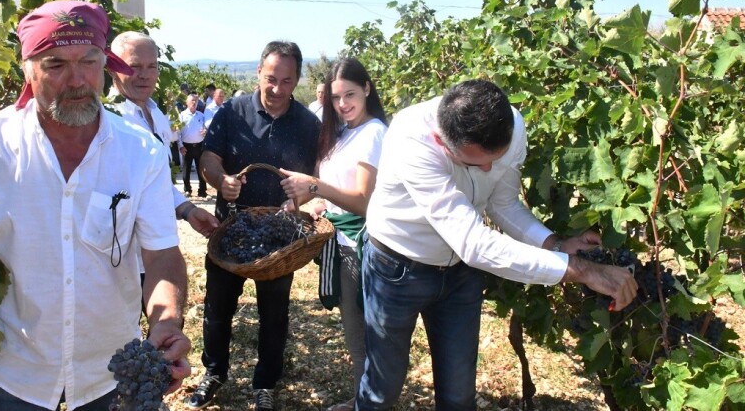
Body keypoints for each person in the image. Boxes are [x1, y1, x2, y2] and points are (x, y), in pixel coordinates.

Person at [0, 0, 192, 410]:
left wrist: (166, 322)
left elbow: (163, 255)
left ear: (106, 65)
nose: (77, 80)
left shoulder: (140, 152)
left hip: (112, 373)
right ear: (27, 68)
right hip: (15, 375)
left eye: (89, 62)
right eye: (55, 64)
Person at [355, 80, 638, 410]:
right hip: (396, 270)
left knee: (459, 394)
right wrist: (581, 270)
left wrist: (555, 244)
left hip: (459, 275)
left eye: (495, 159)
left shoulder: (511, 126)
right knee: (383, 388)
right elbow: (473, 242)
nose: (488, 169)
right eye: (474, 164)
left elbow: (502, 204)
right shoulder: (412, 140)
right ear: (440, 141)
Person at [186, 41, 320, 411]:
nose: (276, 89)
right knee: (217, 307)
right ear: (259, 72)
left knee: (274, 314)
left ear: (297, 80)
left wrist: (303, 197)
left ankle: (266, 384)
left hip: (278, 235)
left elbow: (316, 177)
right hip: (231, 228)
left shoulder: (309, 124)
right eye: (271, 78)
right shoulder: (233, 111)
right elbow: (209, 158)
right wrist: (221, 179)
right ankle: (213, 372)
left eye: (287, 81)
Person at [278, 58, 387, 411]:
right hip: (340, 242)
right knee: (354, 328)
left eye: (350, 95)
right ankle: (363, 398)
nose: (343, 105)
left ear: (367, 89)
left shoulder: (372, 133)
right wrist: (312, 202)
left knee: (365, 330)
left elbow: (364, 203)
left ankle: (369, 402)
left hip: (360, 245)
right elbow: (336, 193)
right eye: (336, 98)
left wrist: (315, 186)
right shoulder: (344, 132)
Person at [108, 30, 219, 237]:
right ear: (113, 69)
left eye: (152, 67)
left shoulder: (156, 114)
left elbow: (156, 182)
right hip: (121, 253)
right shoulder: (106, 121)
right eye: (134, 66)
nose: (145, 74)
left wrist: (188, 210)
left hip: (156, 246)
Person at [179, 93, 208, 198]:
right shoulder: (182, 115)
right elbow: (178, 133)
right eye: (192, 101)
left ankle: (202, 191)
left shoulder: (201, 115)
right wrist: (180, 145)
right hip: (187, 146)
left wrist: (205, 131)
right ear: (187, 103)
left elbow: (205, 128)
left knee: (201, 169)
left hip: (199, 145)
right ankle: (187, 190)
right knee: (186, 170)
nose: (194, 103)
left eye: (196, 101)